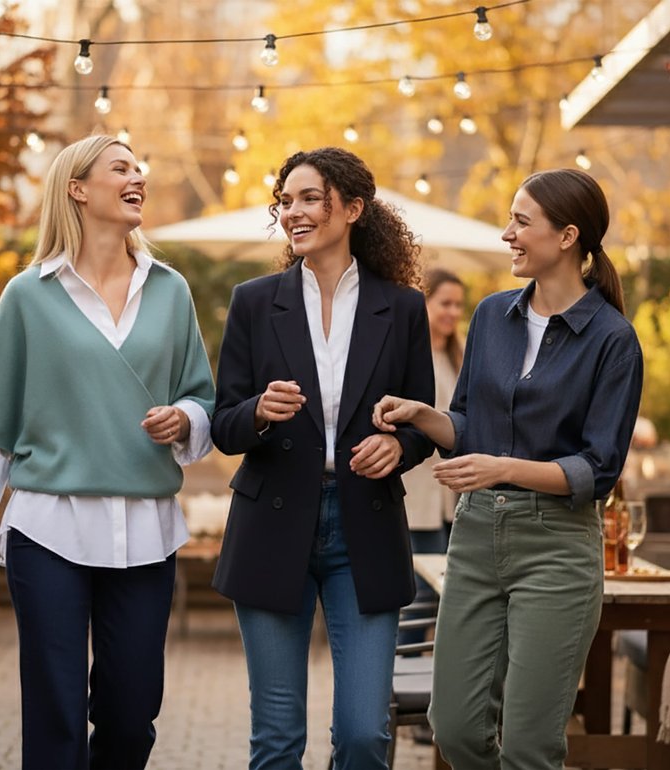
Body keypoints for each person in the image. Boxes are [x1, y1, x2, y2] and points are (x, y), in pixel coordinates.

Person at [0, 135, 215, 770]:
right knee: (56, 711)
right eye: (121, 166)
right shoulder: (28, 296)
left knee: (131, 711)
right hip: (48, 528)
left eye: (138, 166)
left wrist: (184, 419)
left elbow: (203, 398)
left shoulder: (170, 291)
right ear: (77, 189)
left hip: (147, 532)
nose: (136, 175)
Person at [373, 168, 643, 769]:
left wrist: (504, 469)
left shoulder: (612, 340)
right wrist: (426, 415)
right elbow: (468, 425)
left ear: (568, 235)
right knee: (457, 728)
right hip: (474, 539)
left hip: (556, 547)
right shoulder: (494, 317)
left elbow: (597, 470)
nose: (507, 234)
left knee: (528, 744)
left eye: (522, 222)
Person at [210, 146, 436, 769]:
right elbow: (224, 425)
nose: (293, 212)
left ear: (353, 208)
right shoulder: (255, 302)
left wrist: (399, 444)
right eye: (286, 201)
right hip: (270, 525)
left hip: (364, 525)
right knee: (278, 739)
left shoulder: (404, 306)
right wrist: (258, 409)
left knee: (365, 734)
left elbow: (422, 421)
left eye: (311, 198)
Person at [398, 268, 465, 651]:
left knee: (441, 595)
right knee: (417, 597)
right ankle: (398, 683)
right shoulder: (411, 354)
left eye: (458, 304)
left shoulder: (460, 356)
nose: (452, 312)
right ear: (424, 303)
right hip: (416, 496)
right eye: (444, 303)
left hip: (449, 499)